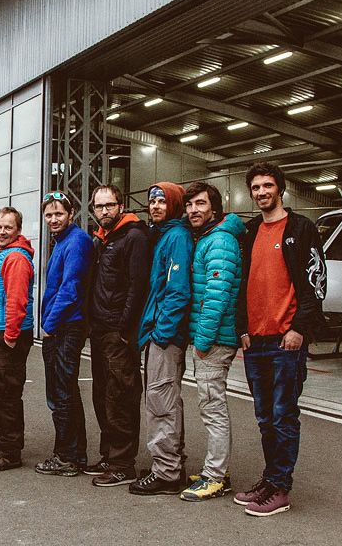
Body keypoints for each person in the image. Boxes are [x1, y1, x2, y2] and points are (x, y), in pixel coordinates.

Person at [234, 162, 326, 516]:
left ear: (280, 189)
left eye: (268, 185)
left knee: (283, 415)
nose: (262, 192)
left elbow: (316, 282)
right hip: (255, 341)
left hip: (286, 341)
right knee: (265, 418)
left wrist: (299, 328)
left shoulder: (301, 229)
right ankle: (270, 479)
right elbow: (243, 282)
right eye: (256, 187)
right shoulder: (250, 231)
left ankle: (281, 488)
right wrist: (242, 329)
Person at [180, 181, 245, 503]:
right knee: (211, 406)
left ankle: (215, 477)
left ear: (214, 209)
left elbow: (217, 297)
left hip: (215, 340)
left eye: (200, 204)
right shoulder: (209, 237)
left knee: (212, 408)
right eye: (189, 204)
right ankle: (218, 471)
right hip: (212, 338)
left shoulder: (219, 241)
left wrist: (202, 341)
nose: (193, 210)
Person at [85, 184, 152, 487]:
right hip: (101, 331)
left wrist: (126, 330)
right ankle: (109, 455)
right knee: (103, 396)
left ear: (121, 206)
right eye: (99, 207)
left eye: (109, 205)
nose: (104, 211)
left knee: (120, 397)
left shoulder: (134, 237)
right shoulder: (103, 239)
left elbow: (138, 287)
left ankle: (123, 463)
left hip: (118, 333)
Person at [130, 183, 193, 495]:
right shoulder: (165, 235)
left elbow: (177, 291)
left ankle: (167, 473)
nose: (154, 206)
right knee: (163, 399)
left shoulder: (177, 236)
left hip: (165, 336)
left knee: (161, 401)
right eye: (152, 201)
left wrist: (162, 334)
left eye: (162, 201)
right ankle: (169, 465)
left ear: (175, 204)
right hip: (159, 333)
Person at [35, 191, 94, 477]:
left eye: (59, 213)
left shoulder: (76, 241)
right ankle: (73, 454)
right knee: (65, 392)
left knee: (61, 394)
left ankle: (68, 456)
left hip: (66, 328)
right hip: (63, 326)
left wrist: (49, 325)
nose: (53, 219)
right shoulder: (62, 242)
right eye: (49, 214)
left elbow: (71, 288)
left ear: (71, 214)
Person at [0, 207, 35, 472]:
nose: (2, 232)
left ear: (18, 230)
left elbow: (17, 300)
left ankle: (11, 452)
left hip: (8, 335)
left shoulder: (15, 258)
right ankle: (4, 441)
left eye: (8, 228)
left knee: (6, 393)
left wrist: (10, 336)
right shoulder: (1, 253)